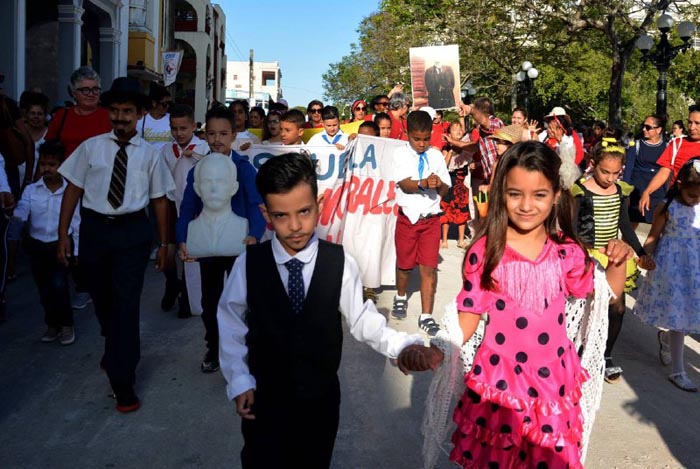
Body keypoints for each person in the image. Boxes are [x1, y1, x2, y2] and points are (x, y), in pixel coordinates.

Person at [398, 140, 632, 468]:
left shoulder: (568, 251)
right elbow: (468, 315)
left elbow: (607, 294)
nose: (526, 205)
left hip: (553, 385)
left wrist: (618, 261)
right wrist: (439, 350)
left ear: (556, 195)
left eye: (539, 195)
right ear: (501, 194)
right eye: (515, 194)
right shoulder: (486, 251)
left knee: (550, 458)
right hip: (498, 385)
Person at [217, 152, 424, 468]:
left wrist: (399, 344)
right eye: (282, 216)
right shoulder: (248, 264)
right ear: (266, 214)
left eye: (304, 211)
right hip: (264, 398)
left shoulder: (339, 262)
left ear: (321, 205)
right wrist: (239, 378)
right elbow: (230, 322)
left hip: (321, 400)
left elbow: (361, 319)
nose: (296, 226)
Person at [57, 77, 175, 413]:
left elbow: (160, 202)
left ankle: (123, 381)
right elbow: (73, 191)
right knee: (103, 301)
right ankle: (115, 348)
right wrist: (64, 234)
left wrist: (165, 244)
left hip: (132, 234)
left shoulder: (151, 156)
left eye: (127, 112)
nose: (120, 118)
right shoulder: (91, 148)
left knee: (125, 306)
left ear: (139, 114)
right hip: (95, 232)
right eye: (115, 111)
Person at [177, 106, 264, 373]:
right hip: (209, 246)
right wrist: (182, 239)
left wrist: (254, 235)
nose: (217, 139)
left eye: (223, 134)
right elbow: (187, 208)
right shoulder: (198, 170)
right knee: (210, 301)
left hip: (240, 246)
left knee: (243, 300)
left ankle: (245, 350)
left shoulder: (244, 169)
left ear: (233, 134)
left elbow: (255, 205)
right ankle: (214, 348)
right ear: (204, 135)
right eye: (212, 134)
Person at [571, 137, 647, 383]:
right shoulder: (580, 191)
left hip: (614, 258)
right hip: (586, 256)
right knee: (585, 308)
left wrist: (641, 252)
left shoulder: (620, 191)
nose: (610, 178)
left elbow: (624, 225)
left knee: (617, 308)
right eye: (605, 172)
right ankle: (578, 350)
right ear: (592, 164)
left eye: (616, 173)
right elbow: (572, 228)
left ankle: (605, 355)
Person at [634, 157, 700, 392]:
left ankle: (667, 339)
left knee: (688, 314)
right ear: (680, 184)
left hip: (695, 267)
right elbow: (652, 237)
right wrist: (645, 255)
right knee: (679, 315)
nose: (696, 200)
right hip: (672, 266)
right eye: (692, 195)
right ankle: (678, 371)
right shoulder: (667, 206)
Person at [14, 140, 80, 344]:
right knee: (44, 289)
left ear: (63, 165)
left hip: (60, 246)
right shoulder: (31, 190)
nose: (47, 169)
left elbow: (76, 223)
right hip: (37, 247)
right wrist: (14, 214)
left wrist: (76, 251)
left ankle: (66, 324)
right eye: (43, 164)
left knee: (60, 286)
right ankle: (52, 324)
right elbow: (23, 210)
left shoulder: (70, 192)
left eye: (52, 164)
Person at [391, 110, 451, 336]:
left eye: (426, 139)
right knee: (405, 265)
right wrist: (425, 182)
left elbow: (446, 189)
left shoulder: (436, 156)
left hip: (430, 221)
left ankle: (426, 315)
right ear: (407, 134)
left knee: (429, 268)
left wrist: (438, 184)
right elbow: (405, 184)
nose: (422, 144)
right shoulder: (400, 154)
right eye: (417, 139)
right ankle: (400, 295)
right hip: (408, 219)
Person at [161, 104, 209, 318]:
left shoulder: (204, 149)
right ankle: (173, 284)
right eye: (174, 128)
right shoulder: (166, 150)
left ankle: (189, 298)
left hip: (196, 210)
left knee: (192, 256)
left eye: (183, 128)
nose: (178, 133)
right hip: (171, 205)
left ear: (193, 127)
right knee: (169, 254)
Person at [639, 105, 700, 216]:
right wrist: (647, 191)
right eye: (690, 122)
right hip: (676, 205)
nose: (692, 127)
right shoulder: (677, 144)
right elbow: (664, 172)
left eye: (697, 123)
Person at [45, 67, 111, 158]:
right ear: (74, 93)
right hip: (65, 170)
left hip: (97, 170)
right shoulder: (62, 115)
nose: (91, 94)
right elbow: (48, 149)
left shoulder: (108, 116)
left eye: (95, 89)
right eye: (85, 90)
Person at [622, 115, 668, 227]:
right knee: (631, 226)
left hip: (657, 193)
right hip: (636, 191)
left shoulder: (667, 147)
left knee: (656, 227)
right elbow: (628, 170)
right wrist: (625, 194)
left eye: (648, 127)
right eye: (643, 126)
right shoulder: (636, 145)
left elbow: (667, 172)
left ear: (658, 129)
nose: (644, 129)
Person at [440, 121, 472, 249]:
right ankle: (444, 239)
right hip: (449, 182)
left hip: (461, 183)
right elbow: (444, 165)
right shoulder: (446, 148)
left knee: (462, 210)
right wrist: (451, 150)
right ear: (449, 133)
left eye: (460, 129)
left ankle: (460, 239)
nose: (458, 132)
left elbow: (470, 162)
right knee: (446, 210)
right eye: (455, 129)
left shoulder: (466, 147)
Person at [136, 84, 172, 151]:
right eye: (164, 104)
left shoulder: (171, 119)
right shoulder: (141, 120)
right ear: (154, 103)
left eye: (169, 103)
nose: (167, 106)